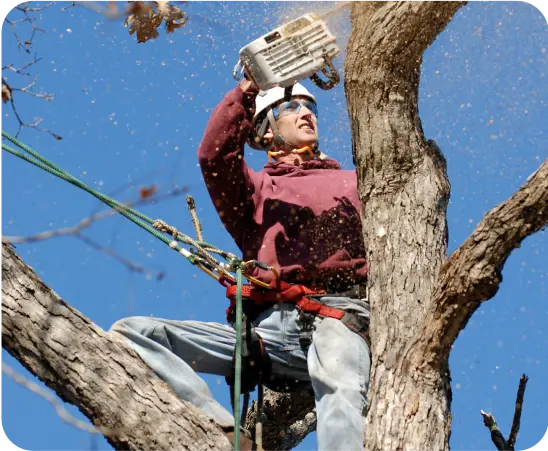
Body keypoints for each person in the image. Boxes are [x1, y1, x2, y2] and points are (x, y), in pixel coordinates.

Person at [110, 76, 371, 451]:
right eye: (291, 107)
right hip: (272, 333)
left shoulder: (355, 182)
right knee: (134, 334)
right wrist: (250, 88)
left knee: (341, 387)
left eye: (310, 107)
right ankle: (223, 433)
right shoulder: (254, 192)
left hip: (339, 314)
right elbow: (213, 156)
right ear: (264, 132)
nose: (305, 114)